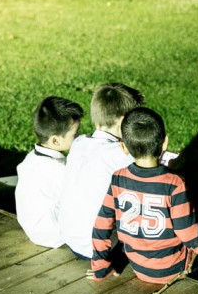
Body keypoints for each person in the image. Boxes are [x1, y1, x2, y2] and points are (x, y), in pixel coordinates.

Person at [87, 107, 198, 285]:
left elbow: (101, 226)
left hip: (139, 267)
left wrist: (100, 267)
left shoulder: (118, 179)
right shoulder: (175, 183)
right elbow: (188, 234)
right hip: (173, 270)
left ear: (124, 147)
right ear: (165, 143)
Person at [58, 82, 145, 260]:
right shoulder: (120, 154)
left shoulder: (79, 143)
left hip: (70, 238)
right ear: (123, 121)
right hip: (100, 248)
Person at [15, 96, 84, 248]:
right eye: (75, 134)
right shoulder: (58, 171)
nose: (79, 137)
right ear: (55, 141)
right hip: (54, 235)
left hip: (34, 229)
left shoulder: (31, 159)